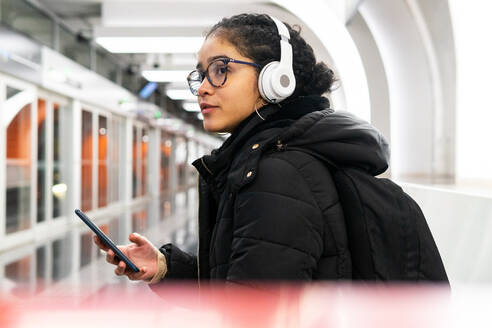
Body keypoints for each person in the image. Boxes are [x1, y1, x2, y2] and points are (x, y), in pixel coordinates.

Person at [94, 13, 391, 285]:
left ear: (276, 80)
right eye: (201, 75)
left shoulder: (278, 174)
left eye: (221, 69)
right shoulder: (278, 160)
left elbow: (250, 313)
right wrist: (165, 267)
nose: (203, 88)